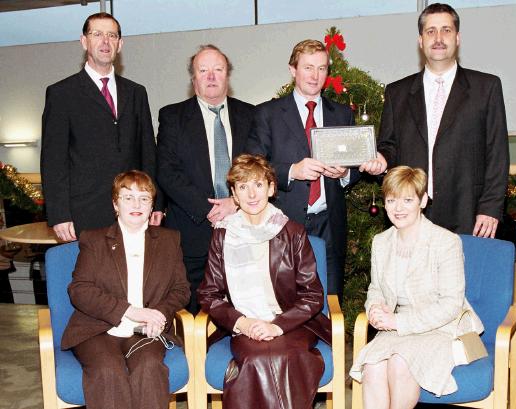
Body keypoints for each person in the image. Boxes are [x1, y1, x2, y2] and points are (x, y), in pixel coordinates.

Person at [362, 3, 509, 239]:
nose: (438, 38)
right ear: (420, 40)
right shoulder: (396, 93)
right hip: (411, 216)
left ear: (458, 38)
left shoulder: (487, 88)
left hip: (469, 215)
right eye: (430, 31)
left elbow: (497, 153)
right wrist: (381, 159)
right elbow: (388, 146)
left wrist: (490, 208)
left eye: (446, 30)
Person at [198, 154, 331, 409]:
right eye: (243, 187)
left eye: (258, 184)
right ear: (234, 195)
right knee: (258, 358)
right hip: (244, 325)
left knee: (275, 356)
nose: (251, 194)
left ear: (271, 188)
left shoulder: (293, 232)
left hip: (292, 324)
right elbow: (209, 295)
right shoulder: (223, 236)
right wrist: (242, 322)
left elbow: (313, 296)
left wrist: (277, 326)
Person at [349, 166, 484, 408]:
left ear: (422, 201)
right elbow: (376, 288)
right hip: (398, 328)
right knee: (372, 365)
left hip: (443, 329)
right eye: (391, 200)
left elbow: (451, 305)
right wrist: (375, 309)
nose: (398, 208)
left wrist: (397, 323)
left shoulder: (446, 242)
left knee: (401, 362)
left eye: (407, 200)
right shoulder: (381, 243)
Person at [61, 170, 190, 409]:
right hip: (96, 329)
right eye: (127, 197)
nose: (136, 204)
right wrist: (130, 311)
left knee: (149, 368)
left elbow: (181, 289)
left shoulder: (169, 241)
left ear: (152, 206)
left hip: (147, 331)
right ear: (115, 204)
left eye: (144, 198)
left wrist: (159, 313)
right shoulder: (94, 239)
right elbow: (79, 289)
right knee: (108, 370)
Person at [246, 39, 358, 302]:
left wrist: (344, 174)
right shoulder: (267, 114)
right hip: (282, 221)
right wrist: (291, 170)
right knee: (283, 301)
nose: (315, 75)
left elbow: (356, 167)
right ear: (292, 70)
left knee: (330, 301)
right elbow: (251, 168)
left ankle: (330, 343)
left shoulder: (342, 115)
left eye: (321, 68)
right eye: (308, 67)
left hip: (330, 223)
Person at [41, 12, 162, 242]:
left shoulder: (137, 92)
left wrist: (156, 203)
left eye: (112, 35)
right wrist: (59, 214)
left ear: (120, 44)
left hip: (133, 212)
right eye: (97, 34)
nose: (105, 41)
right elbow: (53, 159)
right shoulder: (61, 94)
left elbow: (148, 152)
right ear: (84, 41)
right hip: (83, 215)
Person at [156, 44, 254, 314]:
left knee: (244, 309)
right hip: (192, 232)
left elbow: (258, 169)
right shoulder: (172, 116)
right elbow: (166, 171)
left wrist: (235, 202)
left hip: (242, 229)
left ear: (227, 76)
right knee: (194, 314)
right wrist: (209, 209)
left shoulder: (251, 115)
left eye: (218, 69)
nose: (211, 76)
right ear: (193, 78)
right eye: (204, 70)